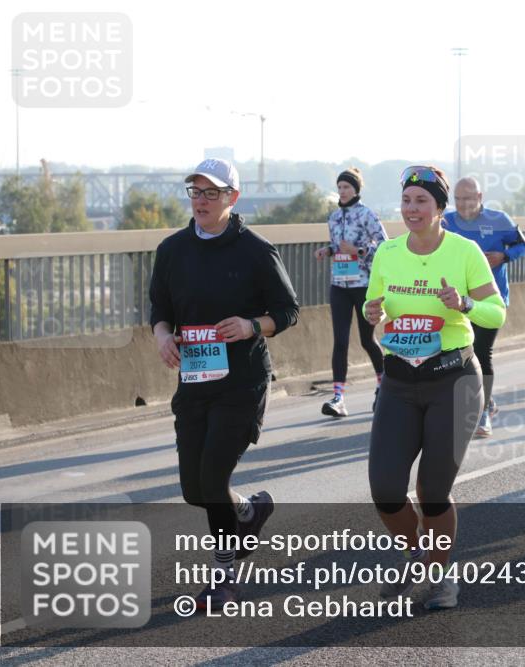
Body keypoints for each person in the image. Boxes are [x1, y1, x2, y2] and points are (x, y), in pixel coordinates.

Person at [150, 158, 299, 608]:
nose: (201, 200)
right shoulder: (173, 249)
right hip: (194, 382)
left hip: (243, 383)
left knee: (214, 478)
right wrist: (161, 336)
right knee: (195, 490)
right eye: (195, 192)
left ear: (233, 198)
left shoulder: (255, 249)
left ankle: (224, 575)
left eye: (211, 193)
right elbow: (160, 308)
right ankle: (249, 512)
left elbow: (287, 311)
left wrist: (252, 325)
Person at [363, 165, 506, 609]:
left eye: (421, 201)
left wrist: (463, 303)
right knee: (386, 490)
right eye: (406, 200)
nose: (411, 209)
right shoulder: (387, 253)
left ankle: (441, 579)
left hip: (453, 380)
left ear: (440, 209)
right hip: (401, 382)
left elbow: (496, 313)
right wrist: (376, 321)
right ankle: (418, 555)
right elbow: (377, 324)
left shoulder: (464, 252)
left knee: (432, 490)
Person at [443, 177, 525, 436]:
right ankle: (482, 401)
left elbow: (522, 245)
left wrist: (504, 256)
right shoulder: (446, 222)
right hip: (458, 301)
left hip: (491, 300)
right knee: (459, 353)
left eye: (468, 198)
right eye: (457, 198)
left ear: (480, 198)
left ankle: (481, 414)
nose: (462, 204)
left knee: (481, 351)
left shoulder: (499, 220)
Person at [315, 168, 387, 417]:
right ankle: (338, 399)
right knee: (340, 342)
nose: (342, 191)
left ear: (356, 189)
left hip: (364, 285)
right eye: (340, 187)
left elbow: (383, 245)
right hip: (339, 285)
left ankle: (384, 386)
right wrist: (328, 250)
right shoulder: (334, 217)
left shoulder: (367, 215)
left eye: (346, 187)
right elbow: (338, 245)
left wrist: (359, 250)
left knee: (367, 340)